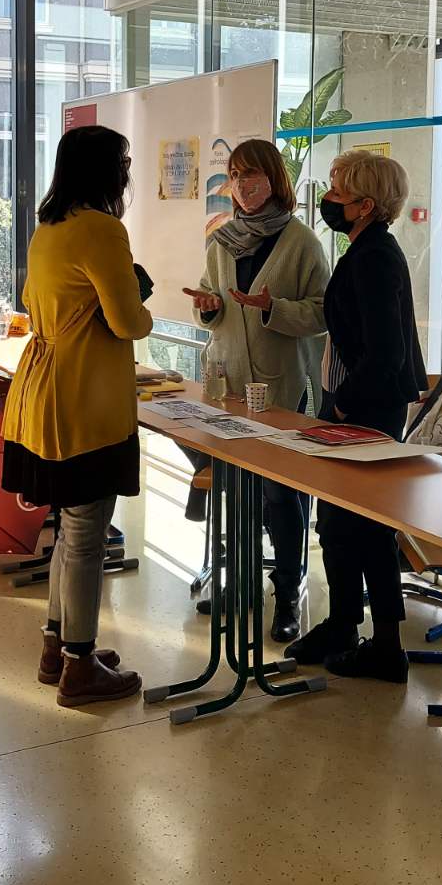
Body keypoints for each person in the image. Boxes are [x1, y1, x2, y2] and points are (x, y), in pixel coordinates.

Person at [2, 125, 153, 708]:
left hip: (43, 390)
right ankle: (80, 667)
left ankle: (58, 645)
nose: (127, 173)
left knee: (69, 528)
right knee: (87, 534)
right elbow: (127, 321)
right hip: (86, 399)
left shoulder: (50, 227)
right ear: (105, 170)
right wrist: (140, 299)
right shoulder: (103, 229)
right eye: (124, 162)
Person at [284, 149, 426, 683]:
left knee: (366, 526)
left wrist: (343, 403)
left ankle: (386, 644)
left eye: (338, 192)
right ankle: (343, 624)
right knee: (337, 523)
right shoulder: (364, 249)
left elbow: (386, 352)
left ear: (366, 205)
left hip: (365, 408)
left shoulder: (375, 257)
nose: (328, 199)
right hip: (349, 402)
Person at [181, 138, 328, 643]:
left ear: (274, 179)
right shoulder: (222, 240)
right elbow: (210, 302)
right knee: (234, 492)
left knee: (279, 494)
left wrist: (272, 308)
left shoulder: (302, 242)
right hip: (226, 383)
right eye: (236, 175)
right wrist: (206, 307)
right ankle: (239, 584)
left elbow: (323, 312)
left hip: (279, 386)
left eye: (253, 175)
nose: (243, 186)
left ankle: (286, 594)